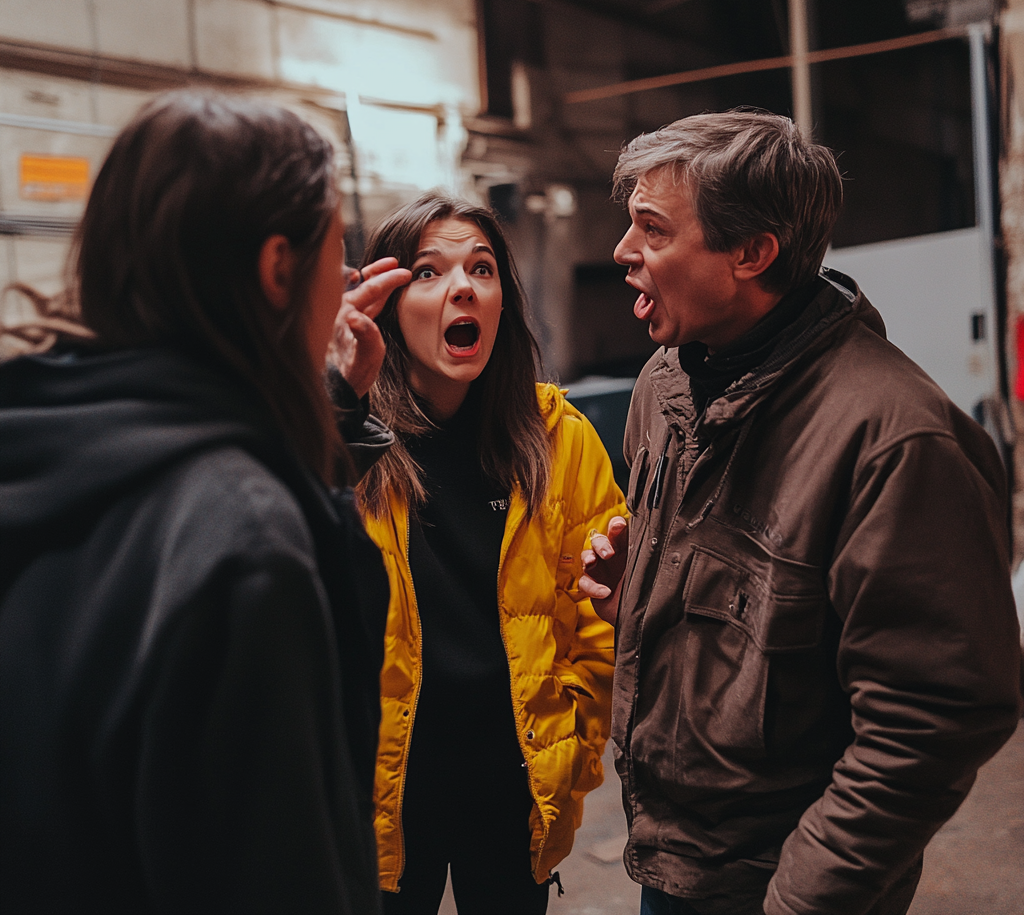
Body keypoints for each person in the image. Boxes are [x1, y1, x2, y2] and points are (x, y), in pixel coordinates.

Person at [579, 110, 1023, 915]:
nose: (622, 251)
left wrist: (806, 899)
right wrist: (638, 602)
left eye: (651, 227)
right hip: (672, 860)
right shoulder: (666, 386)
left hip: (788, 885)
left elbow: (933, 717)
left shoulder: (895, 440)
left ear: (751, 253)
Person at [0, 91, 410, 914]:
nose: (350, 279)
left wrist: (319, 410)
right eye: (338, 251)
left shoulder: (42, 440)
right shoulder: (247, 549)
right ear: (277, 268)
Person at [354, 192, 626, 915]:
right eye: (428, 272)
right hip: (382, 794)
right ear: (386, 302)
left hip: (513, 791)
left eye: (481, 268)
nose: (462, 287)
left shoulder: (559, 439)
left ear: (504, 300)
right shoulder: (350, 444)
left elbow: (600, 606)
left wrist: (575, 742)